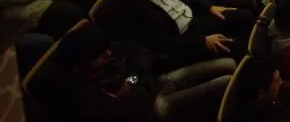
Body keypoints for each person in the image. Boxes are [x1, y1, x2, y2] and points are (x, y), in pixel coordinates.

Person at [51, 23, 234, 122]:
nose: (107, 54)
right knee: (226, 82)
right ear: (83, 63)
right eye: (100, 55)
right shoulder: (85, 96)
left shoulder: (103, 53)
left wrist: (131, 79)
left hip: (155, 82)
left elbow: (141, 54)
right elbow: (131, 109)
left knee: (229, 63)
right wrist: (134, 77)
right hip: (153, 107)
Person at [110, 0, 255, 71]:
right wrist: (203, 41)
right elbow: (162, 42)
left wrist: (209, 7)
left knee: (245, 16)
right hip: (185, 40)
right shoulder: (133, 8)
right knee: (234, 47)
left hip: (196, 19)